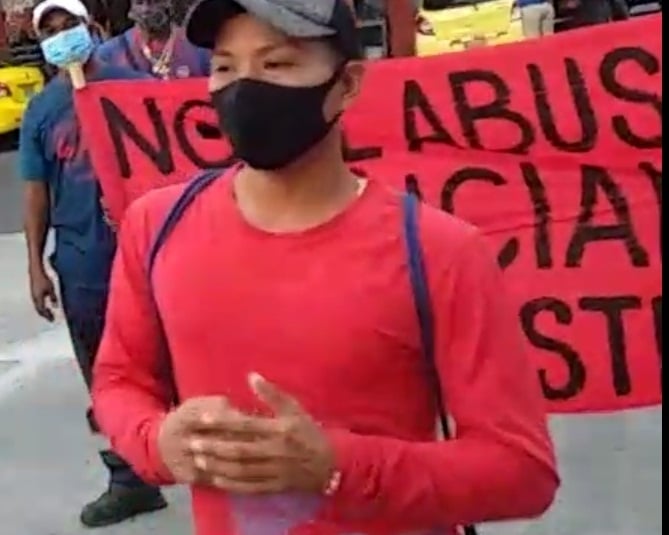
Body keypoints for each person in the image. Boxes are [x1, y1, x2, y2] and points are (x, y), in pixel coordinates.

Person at [92, 0, 559, 533]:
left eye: (277, 65)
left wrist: (338, 465)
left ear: (350, 84)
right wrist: (157, 442)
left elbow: (523, 473)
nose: (245, 88)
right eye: (225, 67)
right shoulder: (156, 225)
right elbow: (119, 380)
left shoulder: (439, 251)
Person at [18, 0, 168, 527]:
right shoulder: (42, 110)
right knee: (108, 379)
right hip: (83, 268)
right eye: (51, 31)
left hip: (151, 260)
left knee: (176, 366)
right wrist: (36, 266)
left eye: (69, 26)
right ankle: (131, 479)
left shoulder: (134, 86)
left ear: (93, 28)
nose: (62, 37)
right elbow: (35, 192)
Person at [94, 0, 209, 79]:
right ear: (130, 8)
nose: (146, 9)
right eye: (139, 2)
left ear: (169, 3)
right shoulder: (108, 54)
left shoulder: (199, 47)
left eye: (154, 2)